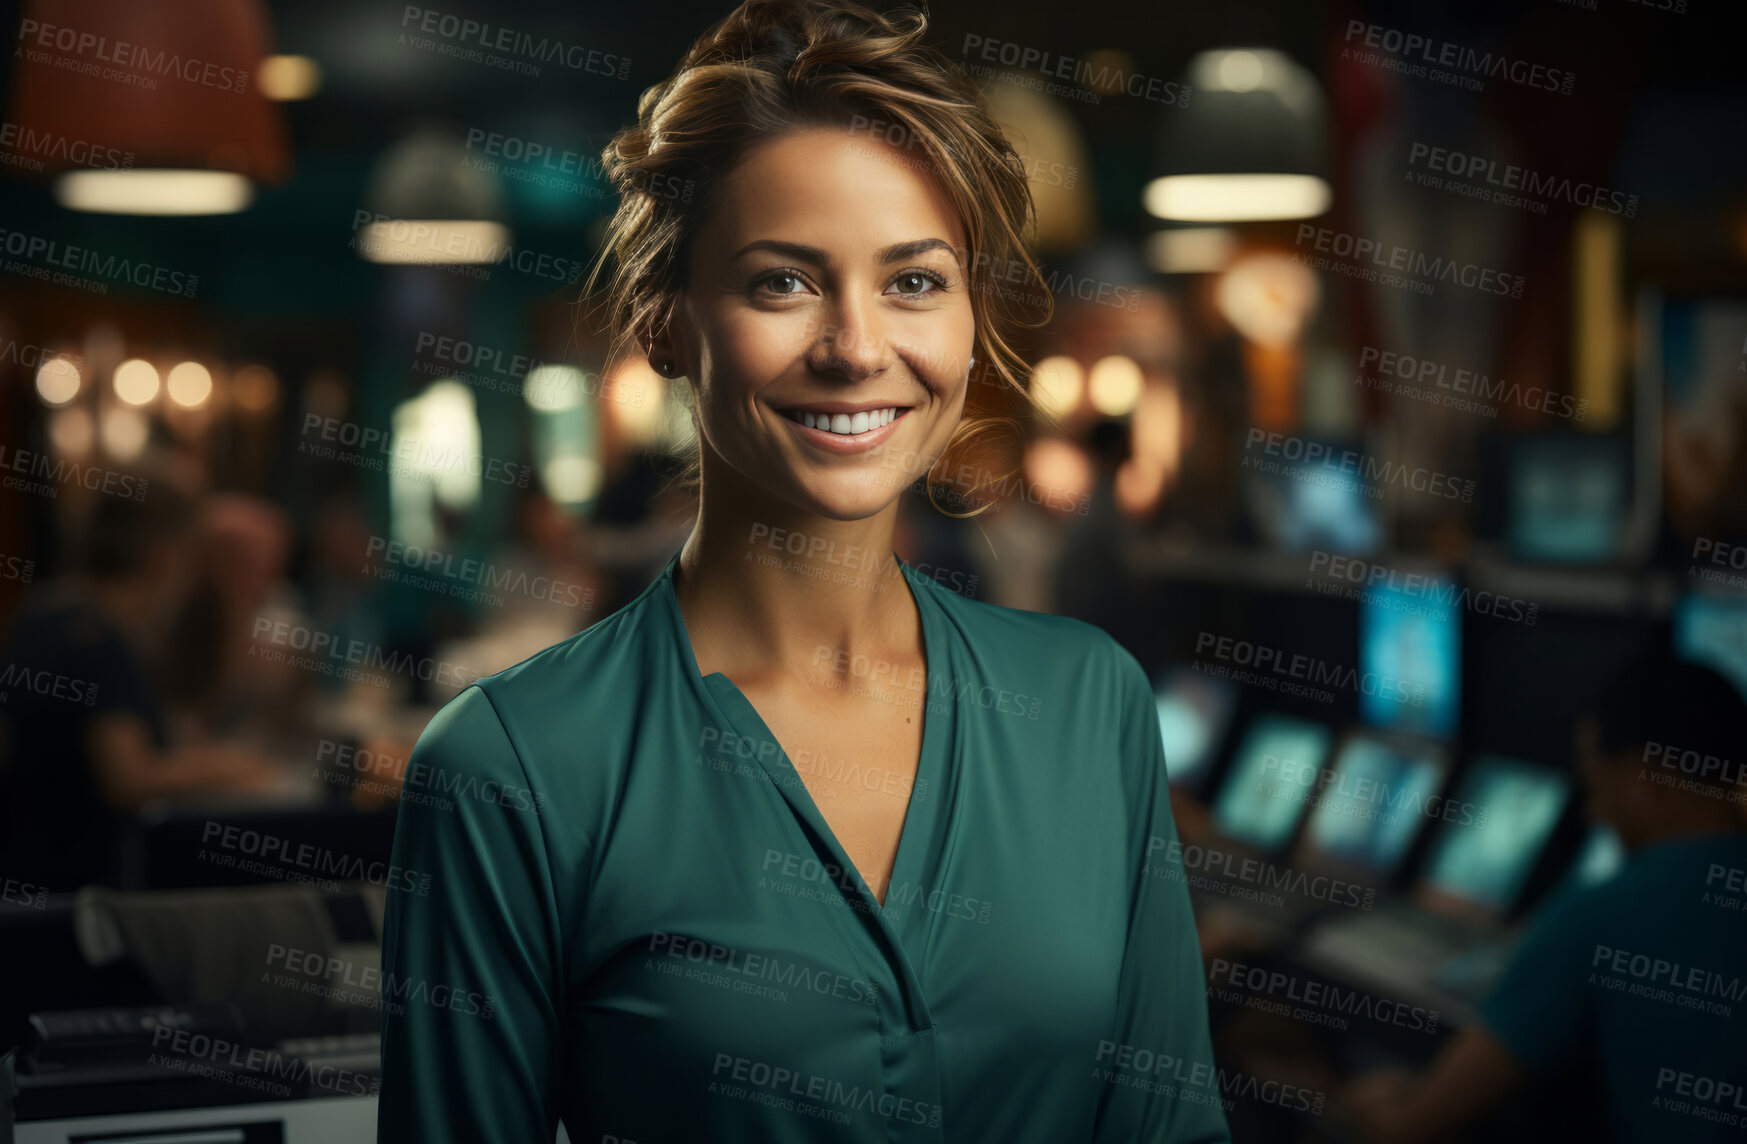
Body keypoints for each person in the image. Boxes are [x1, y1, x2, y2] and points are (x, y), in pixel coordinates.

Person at [375, 2, 1228, 1141]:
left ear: (973, 323)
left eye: (915, 282)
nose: (857, 347)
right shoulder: (507, 769)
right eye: (782, 282)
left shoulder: (1089, 706)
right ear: (665, 320)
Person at [1340, 654, 1747, 1142]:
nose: (1596, 818)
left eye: (1599, 787)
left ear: (1647, 781)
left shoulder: (1600, 914)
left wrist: (1351, 1101)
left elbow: (1412, 1129)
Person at [0, 481, 283, 890]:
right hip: (77, 899)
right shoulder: (99, 640)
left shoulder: (44, 611)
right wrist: (225, 767)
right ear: (161, 554)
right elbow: (127, 779)